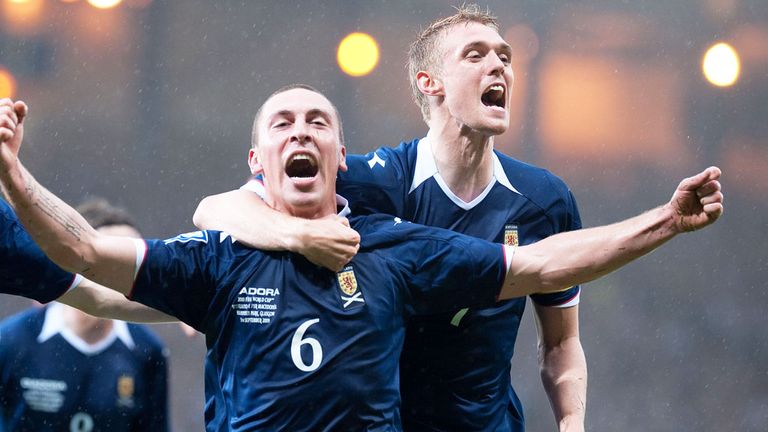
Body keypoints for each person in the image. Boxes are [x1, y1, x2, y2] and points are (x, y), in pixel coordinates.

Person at [0, 91, 722, 430]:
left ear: (341, 160)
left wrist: (663, 219)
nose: (302, 131)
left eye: (319, 122)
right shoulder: (220, 256)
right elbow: (86, 251)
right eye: (282, 123)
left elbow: (540, 266)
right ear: (258, 162)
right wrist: (12, 171)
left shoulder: (394, 246)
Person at [192, 5, 581, 431]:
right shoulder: (373, 182)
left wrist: (572, 422)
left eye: (504, 57)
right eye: (476, 55)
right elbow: (215, 209)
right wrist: (299, 236)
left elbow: (561, 341)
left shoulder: (545, 200)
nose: (499, 67)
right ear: (429, 82)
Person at [0, 199, 169, 432]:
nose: (125, 271)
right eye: (115, 259)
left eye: (133, 262)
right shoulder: (10, 341)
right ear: (75, 259)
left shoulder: (148, 350)